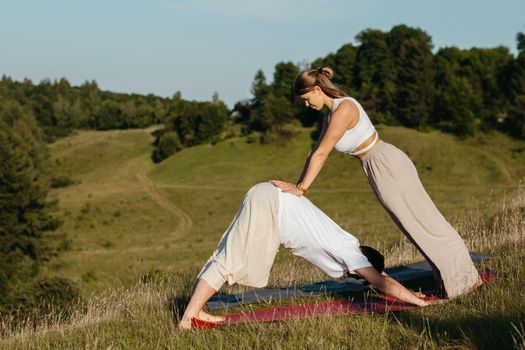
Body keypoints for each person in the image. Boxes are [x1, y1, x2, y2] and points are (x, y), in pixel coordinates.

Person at [270, 67, 482, 299]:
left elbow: (323, 153)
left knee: (425, 221)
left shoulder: (344, 109)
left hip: (386, 163)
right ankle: (447, 281)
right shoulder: (331, 115)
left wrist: (302, 189)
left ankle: (465, 280)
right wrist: (297, 185)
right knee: (412, 227)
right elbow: (315, 152)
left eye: (306, 98)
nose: (306, 104)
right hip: (375, 167)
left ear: (318, 89)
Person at [178, 183, 441, 330]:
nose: (353, 276)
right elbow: (380, 281)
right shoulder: (350, 253)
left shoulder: (349, 245)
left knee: (229, 255)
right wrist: (419, 304)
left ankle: (193, 312)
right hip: (270, 204)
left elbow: (379, 275)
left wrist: (410, 293)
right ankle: (190, 317)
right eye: (358, 275)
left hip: (269, 200)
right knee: (230, 259)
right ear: (363, 263)